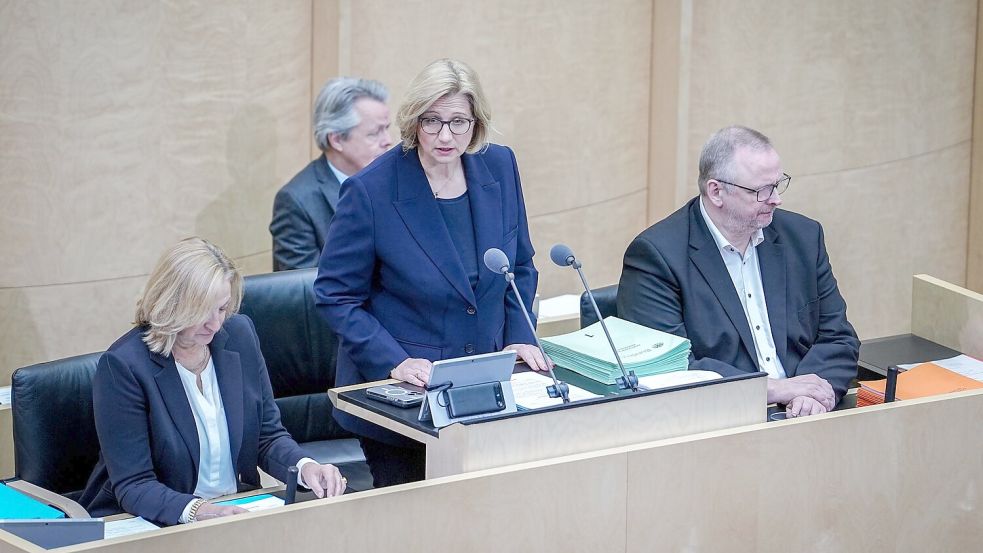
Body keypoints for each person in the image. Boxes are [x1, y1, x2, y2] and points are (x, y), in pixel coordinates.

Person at [314, 58, 551, 487]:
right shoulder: (371, 190)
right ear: (413, 120)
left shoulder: (499, 166)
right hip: (406, 400)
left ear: (476, 123)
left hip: (485, 388)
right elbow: (335, 296)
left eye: (459, 122)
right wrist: (395, 361)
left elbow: (519, 265)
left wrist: (519, 334)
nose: (445, 135)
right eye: (432, 121)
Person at [80, 238, 346, 526]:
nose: (215, 324)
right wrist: (201, 511)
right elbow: (135, 485)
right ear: (171, 304)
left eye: (221, 309)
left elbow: (266, 436)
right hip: (158, 522)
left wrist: (306, 466)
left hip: (233, 513)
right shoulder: (124, 366)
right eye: (202, 312)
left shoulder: (239, 335)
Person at [617, 126, 859, 418]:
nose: (776, 199)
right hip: (720, 423)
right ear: (716, 191)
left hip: (806, 415)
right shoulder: (657, 256)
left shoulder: (803, 238)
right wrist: (774, 389)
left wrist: (812, 395)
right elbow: (670, 367)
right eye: (761, 190)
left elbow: (838, 337)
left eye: (778, 184)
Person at [270, 77, 392, 271]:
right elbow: (303, 290)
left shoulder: (395, 178)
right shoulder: (297, 201)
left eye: (387, 128)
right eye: (375, 133)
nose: (388, 140)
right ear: (336, 140)